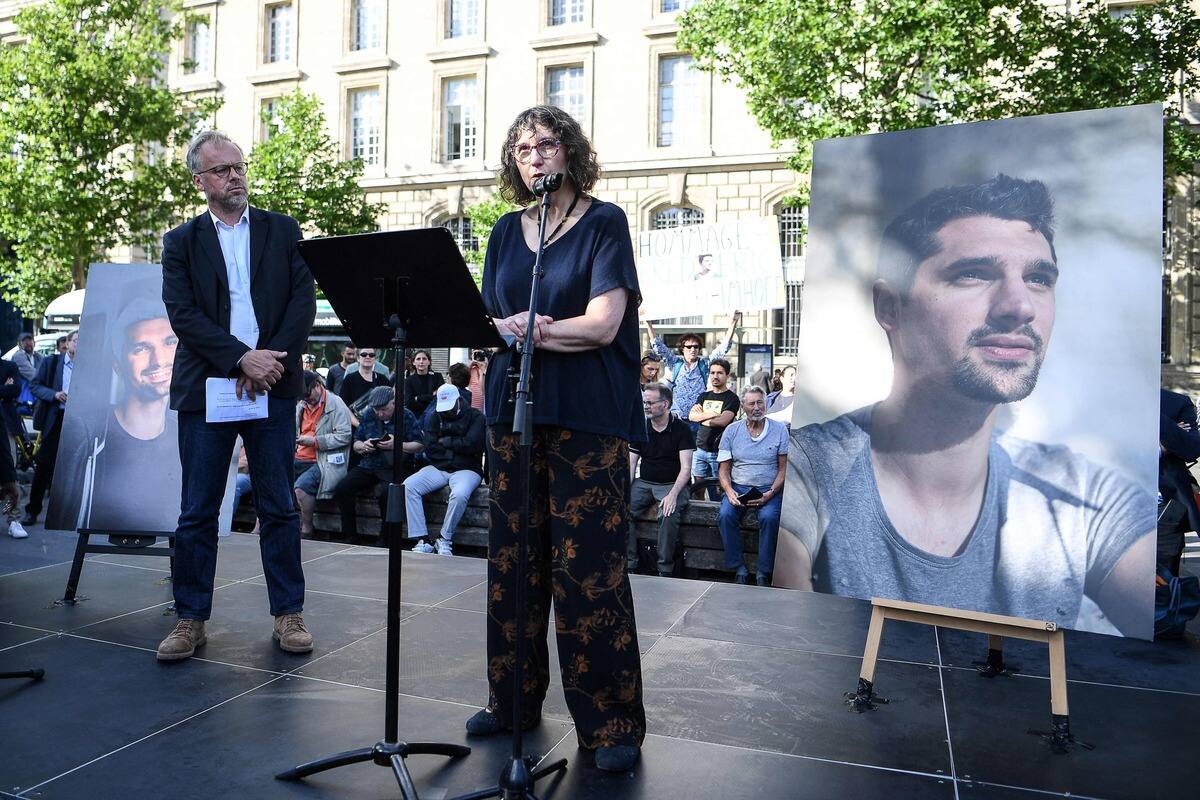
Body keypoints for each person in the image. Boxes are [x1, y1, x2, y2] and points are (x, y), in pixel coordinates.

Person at [777, 174, 1155, 637]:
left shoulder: (1086, 498)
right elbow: (792, 638)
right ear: (889, 307)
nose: (1019, 306)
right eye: (972, 274)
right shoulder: (811, 468)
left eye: (1038, 278)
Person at [469, 105, 646, 773]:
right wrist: (511, 329)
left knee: (588, 570)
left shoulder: (604, 223)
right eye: (522, 150)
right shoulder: (503, 233)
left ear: (569, 151)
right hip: (514, 416)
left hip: (588, 415)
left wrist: (532, 328)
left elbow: (603, 325)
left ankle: (610, 723)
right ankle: (510, 700)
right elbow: (491, 320)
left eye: (546, 144)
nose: (535, 156)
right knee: (512, 566)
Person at [156, 130, 317, 662]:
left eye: (239, 166)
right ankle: (190, 619)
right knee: (197, 511)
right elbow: (184, 316)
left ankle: (288, 614)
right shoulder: (180, 242)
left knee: (278, 505)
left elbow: (302, 302)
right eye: (222, 170)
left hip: (271, 385)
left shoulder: (282, 229)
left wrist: (267, 359)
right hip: (210, 388)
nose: (235, 176)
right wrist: (238, 358)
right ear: (199, 180)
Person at [48, 298, 182, 536]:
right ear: (118, 365)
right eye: (141, 348)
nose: (159, 360)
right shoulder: (88, 436)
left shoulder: (185, 434)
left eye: (169, 342)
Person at [717, 386, 788, 586]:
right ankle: (738, 567)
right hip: (738, 487)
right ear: (743, 406)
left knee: (769, 517)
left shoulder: (779, 429)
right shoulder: (732, 430)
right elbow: (723, 469)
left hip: (769, 488)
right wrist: (729, 491)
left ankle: (763, 572)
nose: (757, 407)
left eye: (760, 403)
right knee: (725, 515)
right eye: (752, 403)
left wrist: (770, 493)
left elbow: (783, 469)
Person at [334, 386, 422, 536]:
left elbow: (419, 445)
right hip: (370, 463)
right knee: (343, 488)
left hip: (396, 466)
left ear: (393, 403)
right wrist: (364, 446)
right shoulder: (369, 414)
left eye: (384, 409)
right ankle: (349, 535)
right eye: (377, 410)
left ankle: (386, 539)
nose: (380, 414)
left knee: (388, 493)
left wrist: (397, 445)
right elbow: (355, 443)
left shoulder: (406, 416)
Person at [408, 384, 485, 555]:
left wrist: (447, 442)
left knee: (459, 494)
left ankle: (445, 538)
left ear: (459, 400)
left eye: (449, 407)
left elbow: (473, 444)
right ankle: (421, 538)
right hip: (441, 466)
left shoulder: (476, 416)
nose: (445, 411)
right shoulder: (435, 415)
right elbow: (430, 446)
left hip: (468, 468)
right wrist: (456, 448)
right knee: (409, 486)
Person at [626, 382, 693, 576]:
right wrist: (623, 492)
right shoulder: (641, 427)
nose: (645, 406)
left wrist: (673, 495)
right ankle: (630, 563)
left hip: (672, 483)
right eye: (644, 402)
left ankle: (665, 568)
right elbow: (631, 464)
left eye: (649, 402)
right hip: (645, 482)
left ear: (665, 404)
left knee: (668, 513)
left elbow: (686, 469)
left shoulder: (681, 429)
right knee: (622, 509)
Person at [646, 312, 741, 433]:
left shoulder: (704, 365)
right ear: (682, 349)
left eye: (696, 347)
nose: (693, 349)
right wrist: (648, 323)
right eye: (689, 346)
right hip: (677, 419)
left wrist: (733, 322)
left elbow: (724, 347)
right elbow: (657, 346)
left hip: (698, 420)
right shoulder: (675, 364)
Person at [23, 330, 76, 526]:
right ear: (67, 343)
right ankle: (32, 510)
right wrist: (54, 394)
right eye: (76, 340)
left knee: (75, 466)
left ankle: (69, 512)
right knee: (44, 464)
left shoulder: (89, 366)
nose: (79, 345)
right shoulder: (52, 362)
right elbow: (35, 386)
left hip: (77, 420)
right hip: (56, 418)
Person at [293, 371, 352, 536]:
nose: (307, 399)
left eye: (308, 395)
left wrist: (315, 441)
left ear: (318, 385)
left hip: (323, 460)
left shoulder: (336, 403)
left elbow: (344, 436)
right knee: (274, 479)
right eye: (303, 397)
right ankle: (260, 526)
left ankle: (307, 528)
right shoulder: (301, 405)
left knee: (301, 489)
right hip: (299, 456)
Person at [1158, 388, 1200, 576]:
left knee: (1163, 589)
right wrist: (1161, 443)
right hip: (1113, 506)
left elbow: (1190, 449)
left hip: (1164, 509)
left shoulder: (1177, 402)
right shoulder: (1102, 397)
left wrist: (1150, 411)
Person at [689, 358, 739, 499]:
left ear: (727, 375)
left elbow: (723, 422)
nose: (715, 376)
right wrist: (712, 414)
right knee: (697, 489)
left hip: (719, 452)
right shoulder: (704, 396)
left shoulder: (732, 398)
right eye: (712, 373)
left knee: (720, 491)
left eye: (719, 373)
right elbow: (692, 416)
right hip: (699, 449)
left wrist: (702, 417)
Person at [0, 355, 25, 538]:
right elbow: (6, 391)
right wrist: (3, 388)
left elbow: (14, 390)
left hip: (5, 427)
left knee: (9, 474)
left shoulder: (9, 366)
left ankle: (13, 519)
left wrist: (7, 390)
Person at [403, 349, 444, 418]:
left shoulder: (437, 377)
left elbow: (441, 398)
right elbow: (409, 403)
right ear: (413, 362)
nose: (421, 361)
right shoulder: (408, 380)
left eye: (424, 359)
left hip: (435, 416)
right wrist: (431, 395)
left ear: (429, 362)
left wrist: (418, 398)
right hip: (416, 417)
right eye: (418, 359)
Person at [467, 349, 487, 413]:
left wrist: (484, 369)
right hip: (471, 400)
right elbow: (462, 376)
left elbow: (483, 389)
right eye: (475, 354)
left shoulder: (486, 368)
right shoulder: (470, 368)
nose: (478, 356)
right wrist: (471, 363)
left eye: (480, 354)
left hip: (483, 401)